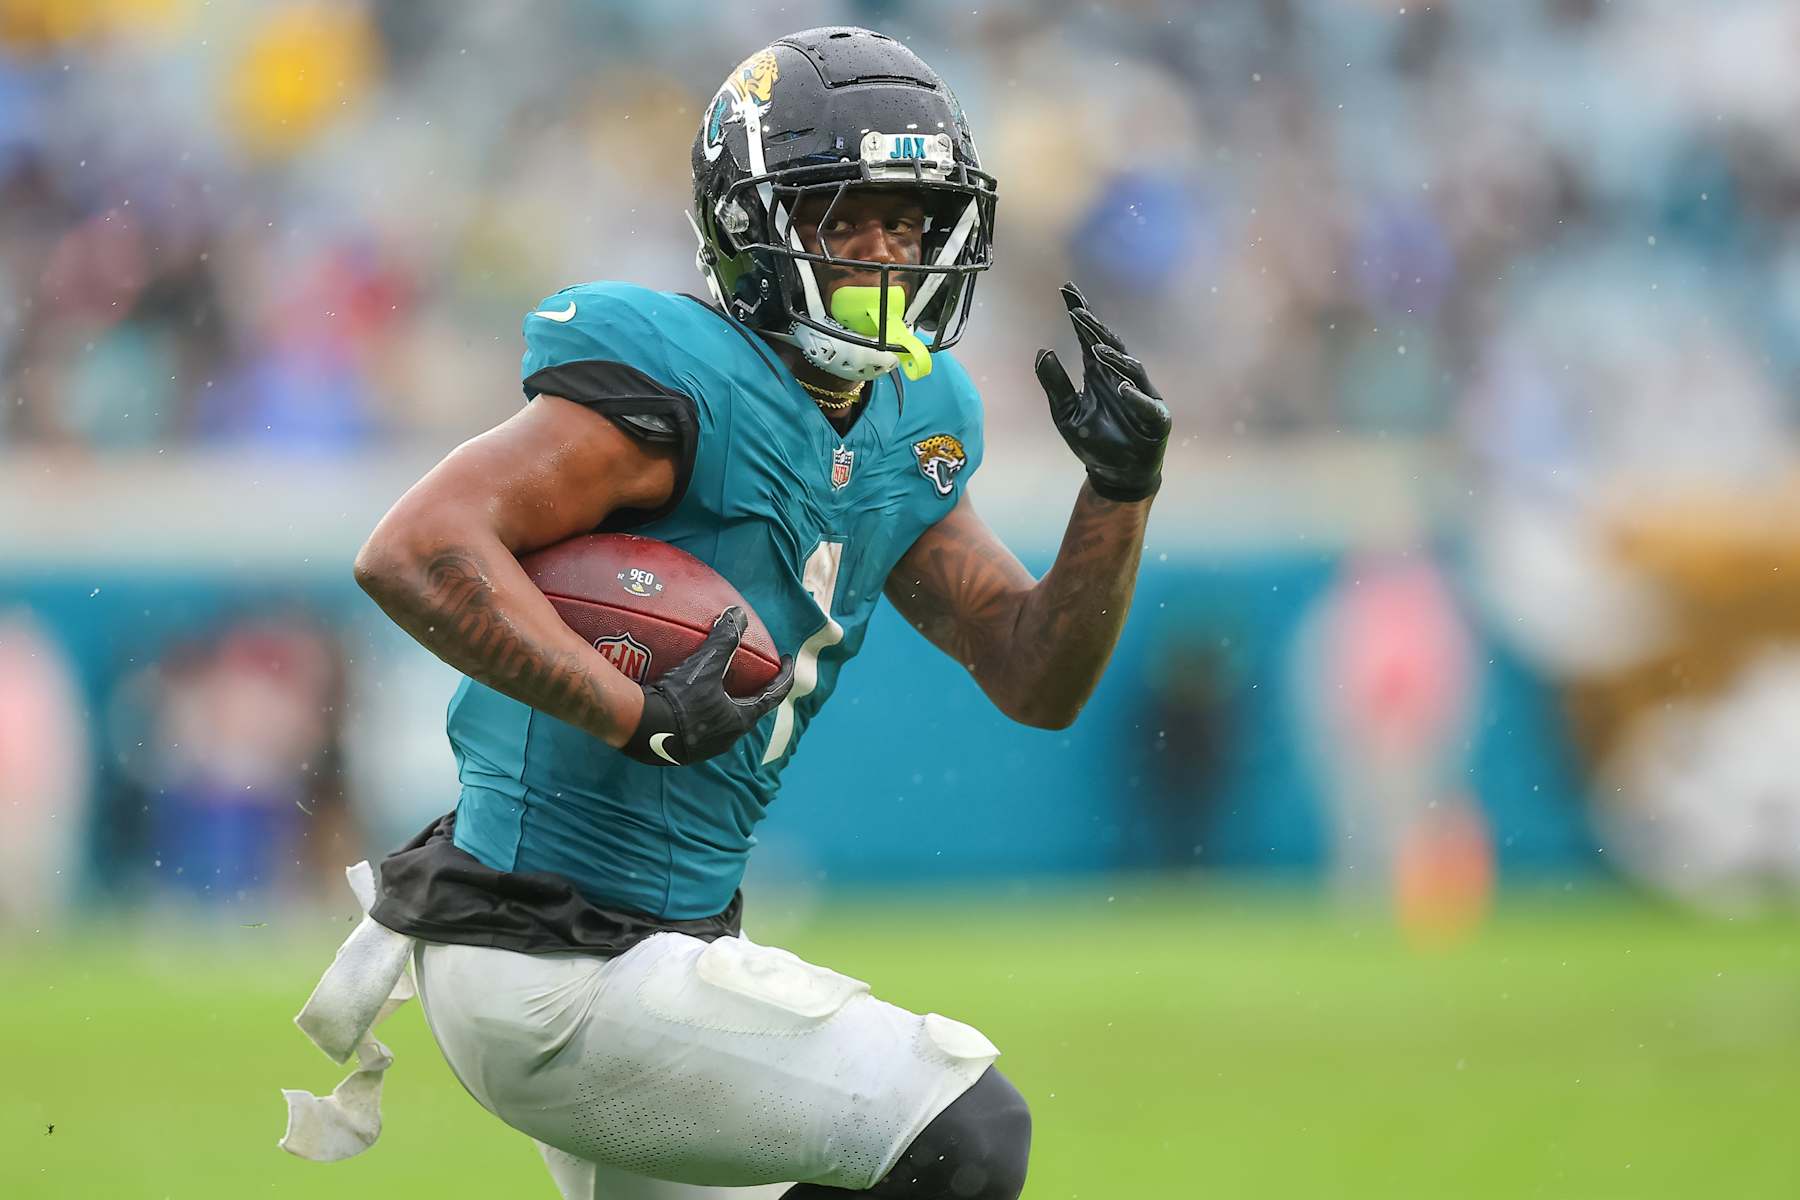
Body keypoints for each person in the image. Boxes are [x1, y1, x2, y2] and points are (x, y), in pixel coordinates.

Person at [295, 26, 1169, 1200]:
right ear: (751, 226)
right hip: (546, 952)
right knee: (966, 1134)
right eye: (840, 218)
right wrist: (626, 706)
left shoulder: (914, 414)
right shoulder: (679, 376)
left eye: (906, 221)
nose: (882, 253)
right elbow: (414, 548)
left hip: (656, 949)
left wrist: (1117, 495)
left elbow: (1032, 674)